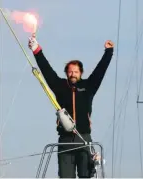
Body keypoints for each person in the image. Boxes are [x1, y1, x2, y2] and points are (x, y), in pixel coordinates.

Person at [28, 35, 114, 178]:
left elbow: (100, 71)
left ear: (80, 73)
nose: (73, 74)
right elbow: (47, 70)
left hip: (84, 139)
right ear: (66, 73)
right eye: (70, 71)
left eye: (76, 71)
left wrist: (108, 52)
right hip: (65, 141)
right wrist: (36, 49)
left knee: (86, 175)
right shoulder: (60, 86)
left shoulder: (88, 87)